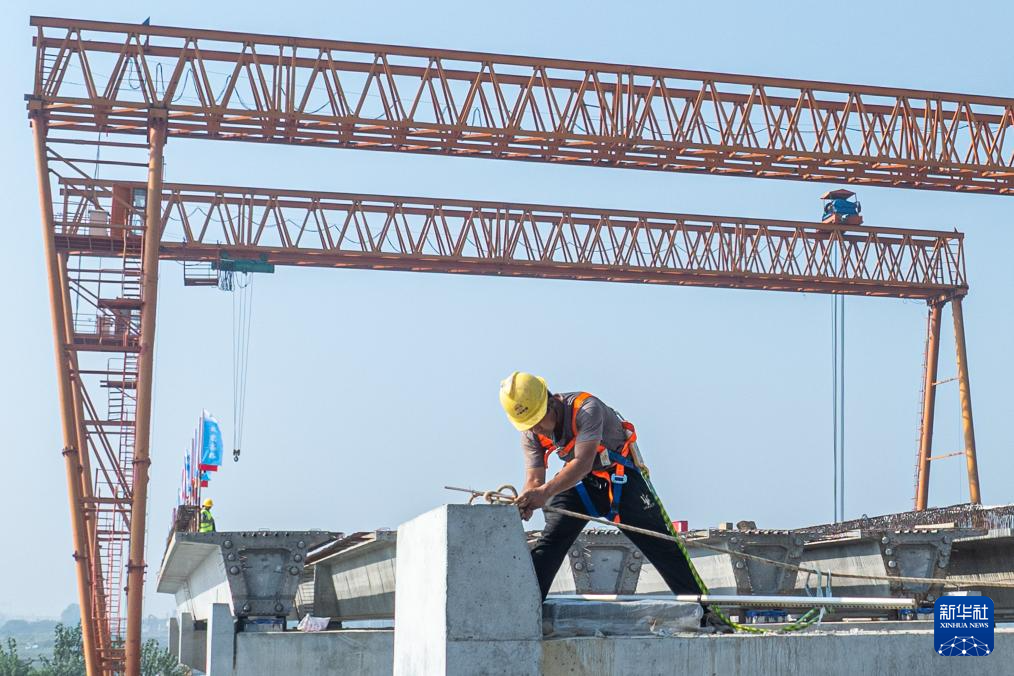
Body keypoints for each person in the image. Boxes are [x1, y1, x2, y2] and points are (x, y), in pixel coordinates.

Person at [499, 371, 729, 631]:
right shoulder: (530, 432)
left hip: (620, 478)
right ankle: (522, 616)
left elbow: (582, 463)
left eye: (538, 421)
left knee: (662, 545)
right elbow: (534, 479)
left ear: (550, 402)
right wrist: (528, 499)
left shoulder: (587, 409)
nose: (535, 428)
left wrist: (543, 493)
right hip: (579, 486)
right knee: (551, 542)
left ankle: (708, 615)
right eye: (528, 424)